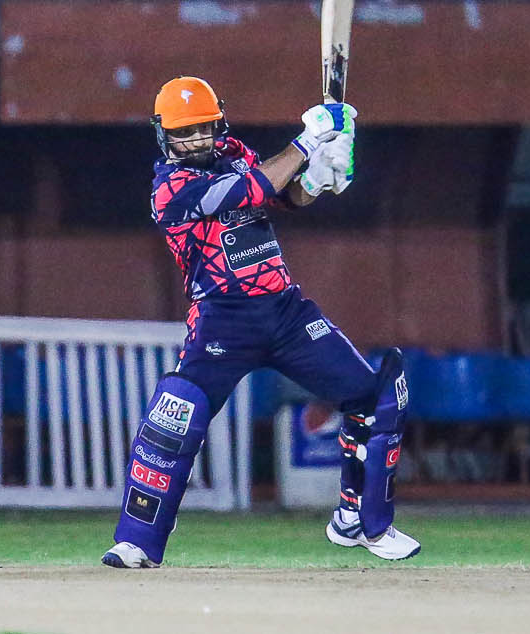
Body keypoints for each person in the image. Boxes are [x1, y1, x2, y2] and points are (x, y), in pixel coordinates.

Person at [102, 76, 419, 568]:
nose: (196, 140)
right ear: (164, 134)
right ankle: (137, 542)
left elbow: (284, 197)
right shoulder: (169, 188)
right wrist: (307, 141)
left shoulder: (234, 153)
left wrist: (318, 178)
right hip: (222, 319)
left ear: (219, 123)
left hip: (286, 312)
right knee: (175, 416)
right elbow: (251, 188)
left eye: (203, 128)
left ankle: (358, 521)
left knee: (374, 399)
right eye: (184, 133)